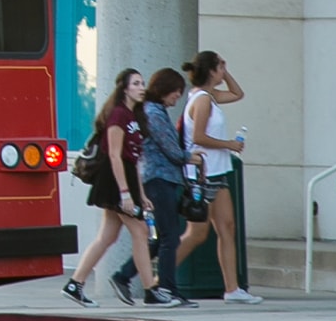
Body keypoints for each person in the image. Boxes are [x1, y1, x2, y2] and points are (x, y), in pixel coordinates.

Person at [65, 68, 183, 307]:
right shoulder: (117, 115)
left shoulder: (134, 116)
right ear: (125, 88)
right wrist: (126, 195)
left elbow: (135, 159)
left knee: (107, 236)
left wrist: (140, 194)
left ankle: (75, 284)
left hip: (127, 180)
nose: (142, 87)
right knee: (140, 231)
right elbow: (116, 156)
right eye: (136, 83)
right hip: (113, 181)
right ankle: (151, 290)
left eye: (142, 83)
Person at [175, 50, 260, 303]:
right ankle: (159, 280)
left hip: (218, 171)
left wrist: (224, 71)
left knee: (227, 227)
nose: (224, 69)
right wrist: (229, 145)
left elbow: (238, 94)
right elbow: (198, 137)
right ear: (211, 70)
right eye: (220, 66)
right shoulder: (201, 99)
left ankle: (232, 288)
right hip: (203, 174)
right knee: (197, 233)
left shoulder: (210, 96)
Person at [109, 68, 196, 306]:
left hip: (157, 180)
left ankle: (124, 276)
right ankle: (166, 288)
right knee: (169, 237)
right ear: (165, 89)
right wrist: (192, 157)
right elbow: (171, 150)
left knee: (158, 239)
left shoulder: (152, 112)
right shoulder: (153, 114)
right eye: (176, 92)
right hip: (159, 180)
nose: (177, 97)